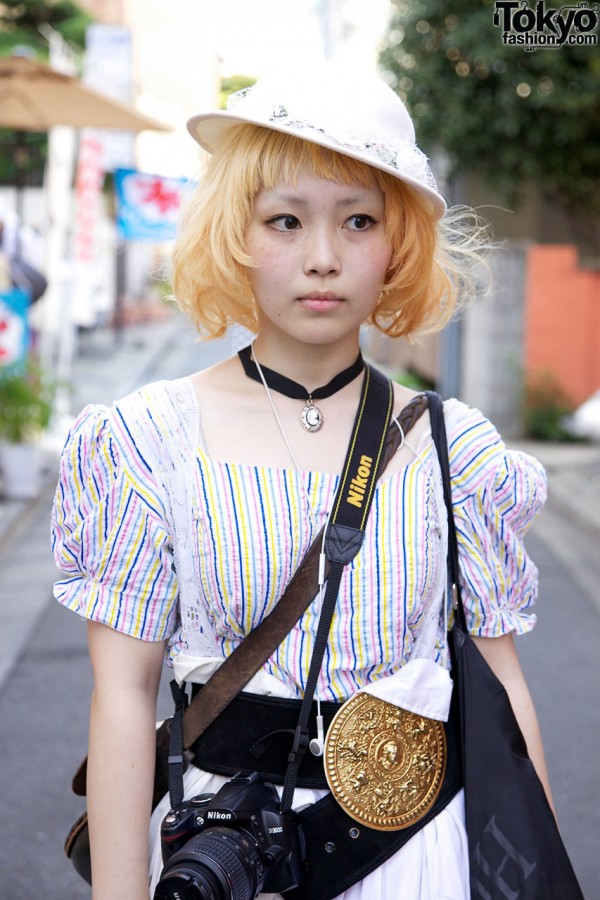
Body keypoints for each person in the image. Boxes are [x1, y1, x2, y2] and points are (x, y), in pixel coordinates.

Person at [51, 61, 552, 900]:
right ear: (234, 234)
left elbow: (504, 693)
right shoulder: (145, 439)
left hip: (421, 858)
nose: (323, 257)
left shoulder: (455, 448)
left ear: (398, 247)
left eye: (359, 220)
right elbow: (124, 699)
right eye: (284, 220)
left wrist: (536, 874)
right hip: (225, 855)